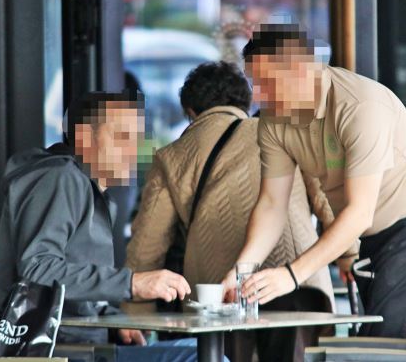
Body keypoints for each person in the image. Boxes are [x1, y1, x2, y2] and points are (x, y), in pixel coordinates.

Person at [222, 23, 406, 342]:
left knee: (389, 341)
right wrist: (241, 270)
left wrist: (292, 275)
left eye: (268, 82)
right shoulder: (272, 121)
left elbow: (359, 212)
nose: (259, 95)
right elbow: (271, 204)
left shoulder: (360, 106)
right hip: (373, 237)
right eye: (256, 83)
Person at [125, 61, 334, 362]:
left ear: (190, 111)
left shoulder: (173, 156)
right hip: (296, 279)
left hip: (221, 294)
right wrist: (348, 255)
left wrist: (137, 312)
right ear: (245, 103)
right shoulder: (282, 132)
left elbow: (147, 244)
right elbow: (326, 199)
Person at [0, 91, 198, 361]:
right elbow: (37, 270)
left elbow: (73, 294)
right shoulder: (60, 178)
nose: (134, 150)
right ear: (85, 138)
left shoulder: (87, 189)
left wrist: (113, 319)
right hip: (56, 351)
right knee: (200, 357)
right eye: (122, 137)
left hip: (82, 344)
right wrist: (132, 283)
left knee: (197, 351)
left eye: (137, 139)